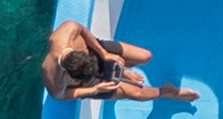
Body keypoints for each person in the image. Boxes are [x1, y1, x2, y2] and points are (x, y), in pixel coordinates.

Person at [42, 20, 194, 105]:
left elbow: (81, 29)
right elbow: (60, 96)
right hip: (90, 83)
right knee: (136, 93)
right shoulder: (52, 75)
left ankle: (121, 72)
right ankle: (167, 92)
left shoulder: (67, 31)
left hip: (96, 51)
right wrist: (94, 90)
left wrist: (104, 53)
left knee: (145, 56)